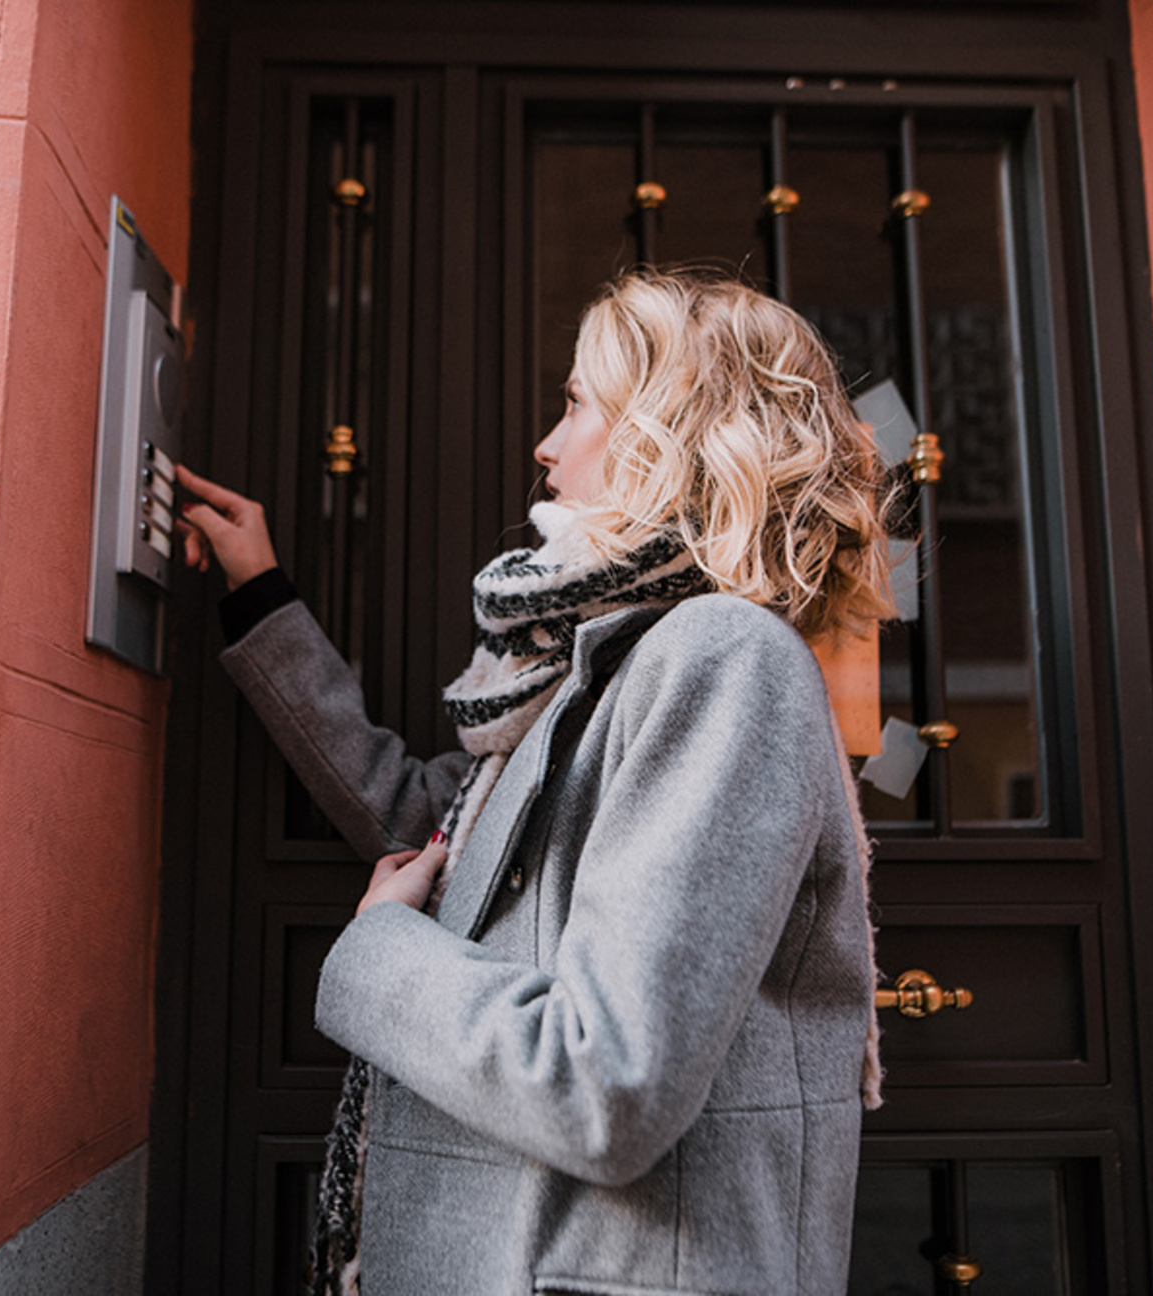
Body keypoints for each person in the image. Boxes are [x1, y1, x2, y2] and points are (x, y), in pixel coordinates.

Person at [175, 266, 895, 1296]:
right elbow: (437, 827)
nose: (545, 446)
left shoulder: (720, 658)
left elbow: (607, 1083)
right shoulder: (594, 669)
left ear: (669, 434)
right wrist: (263, 602)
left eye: (574, 406)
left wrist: (379, 951)